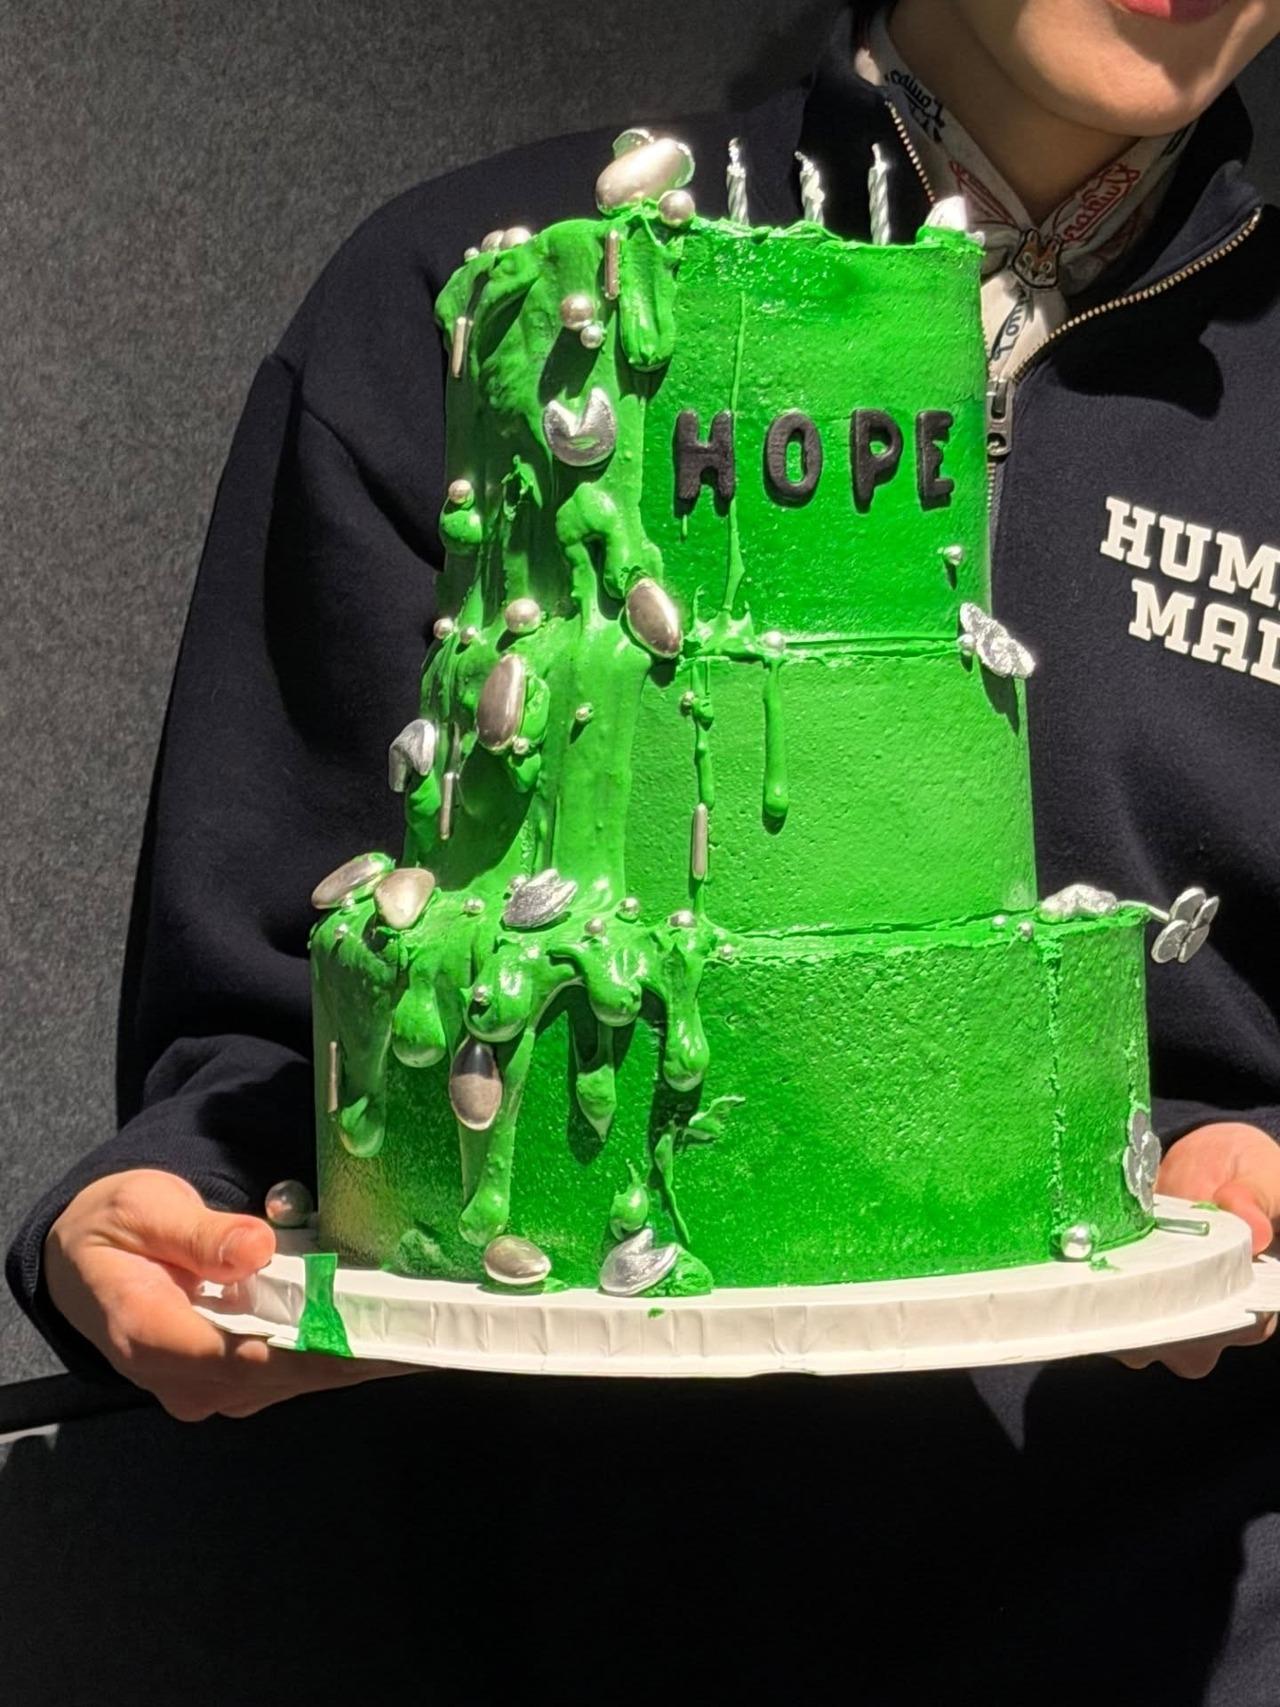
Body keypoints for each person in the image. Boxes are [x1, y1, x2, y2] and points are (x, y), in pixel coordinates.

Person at [8, 0, 1280, 1452]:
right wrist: (173, 1204)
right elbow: (247, 1044)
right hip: (531, 1594)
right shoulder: (494, 307)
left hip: (1173, 1608)